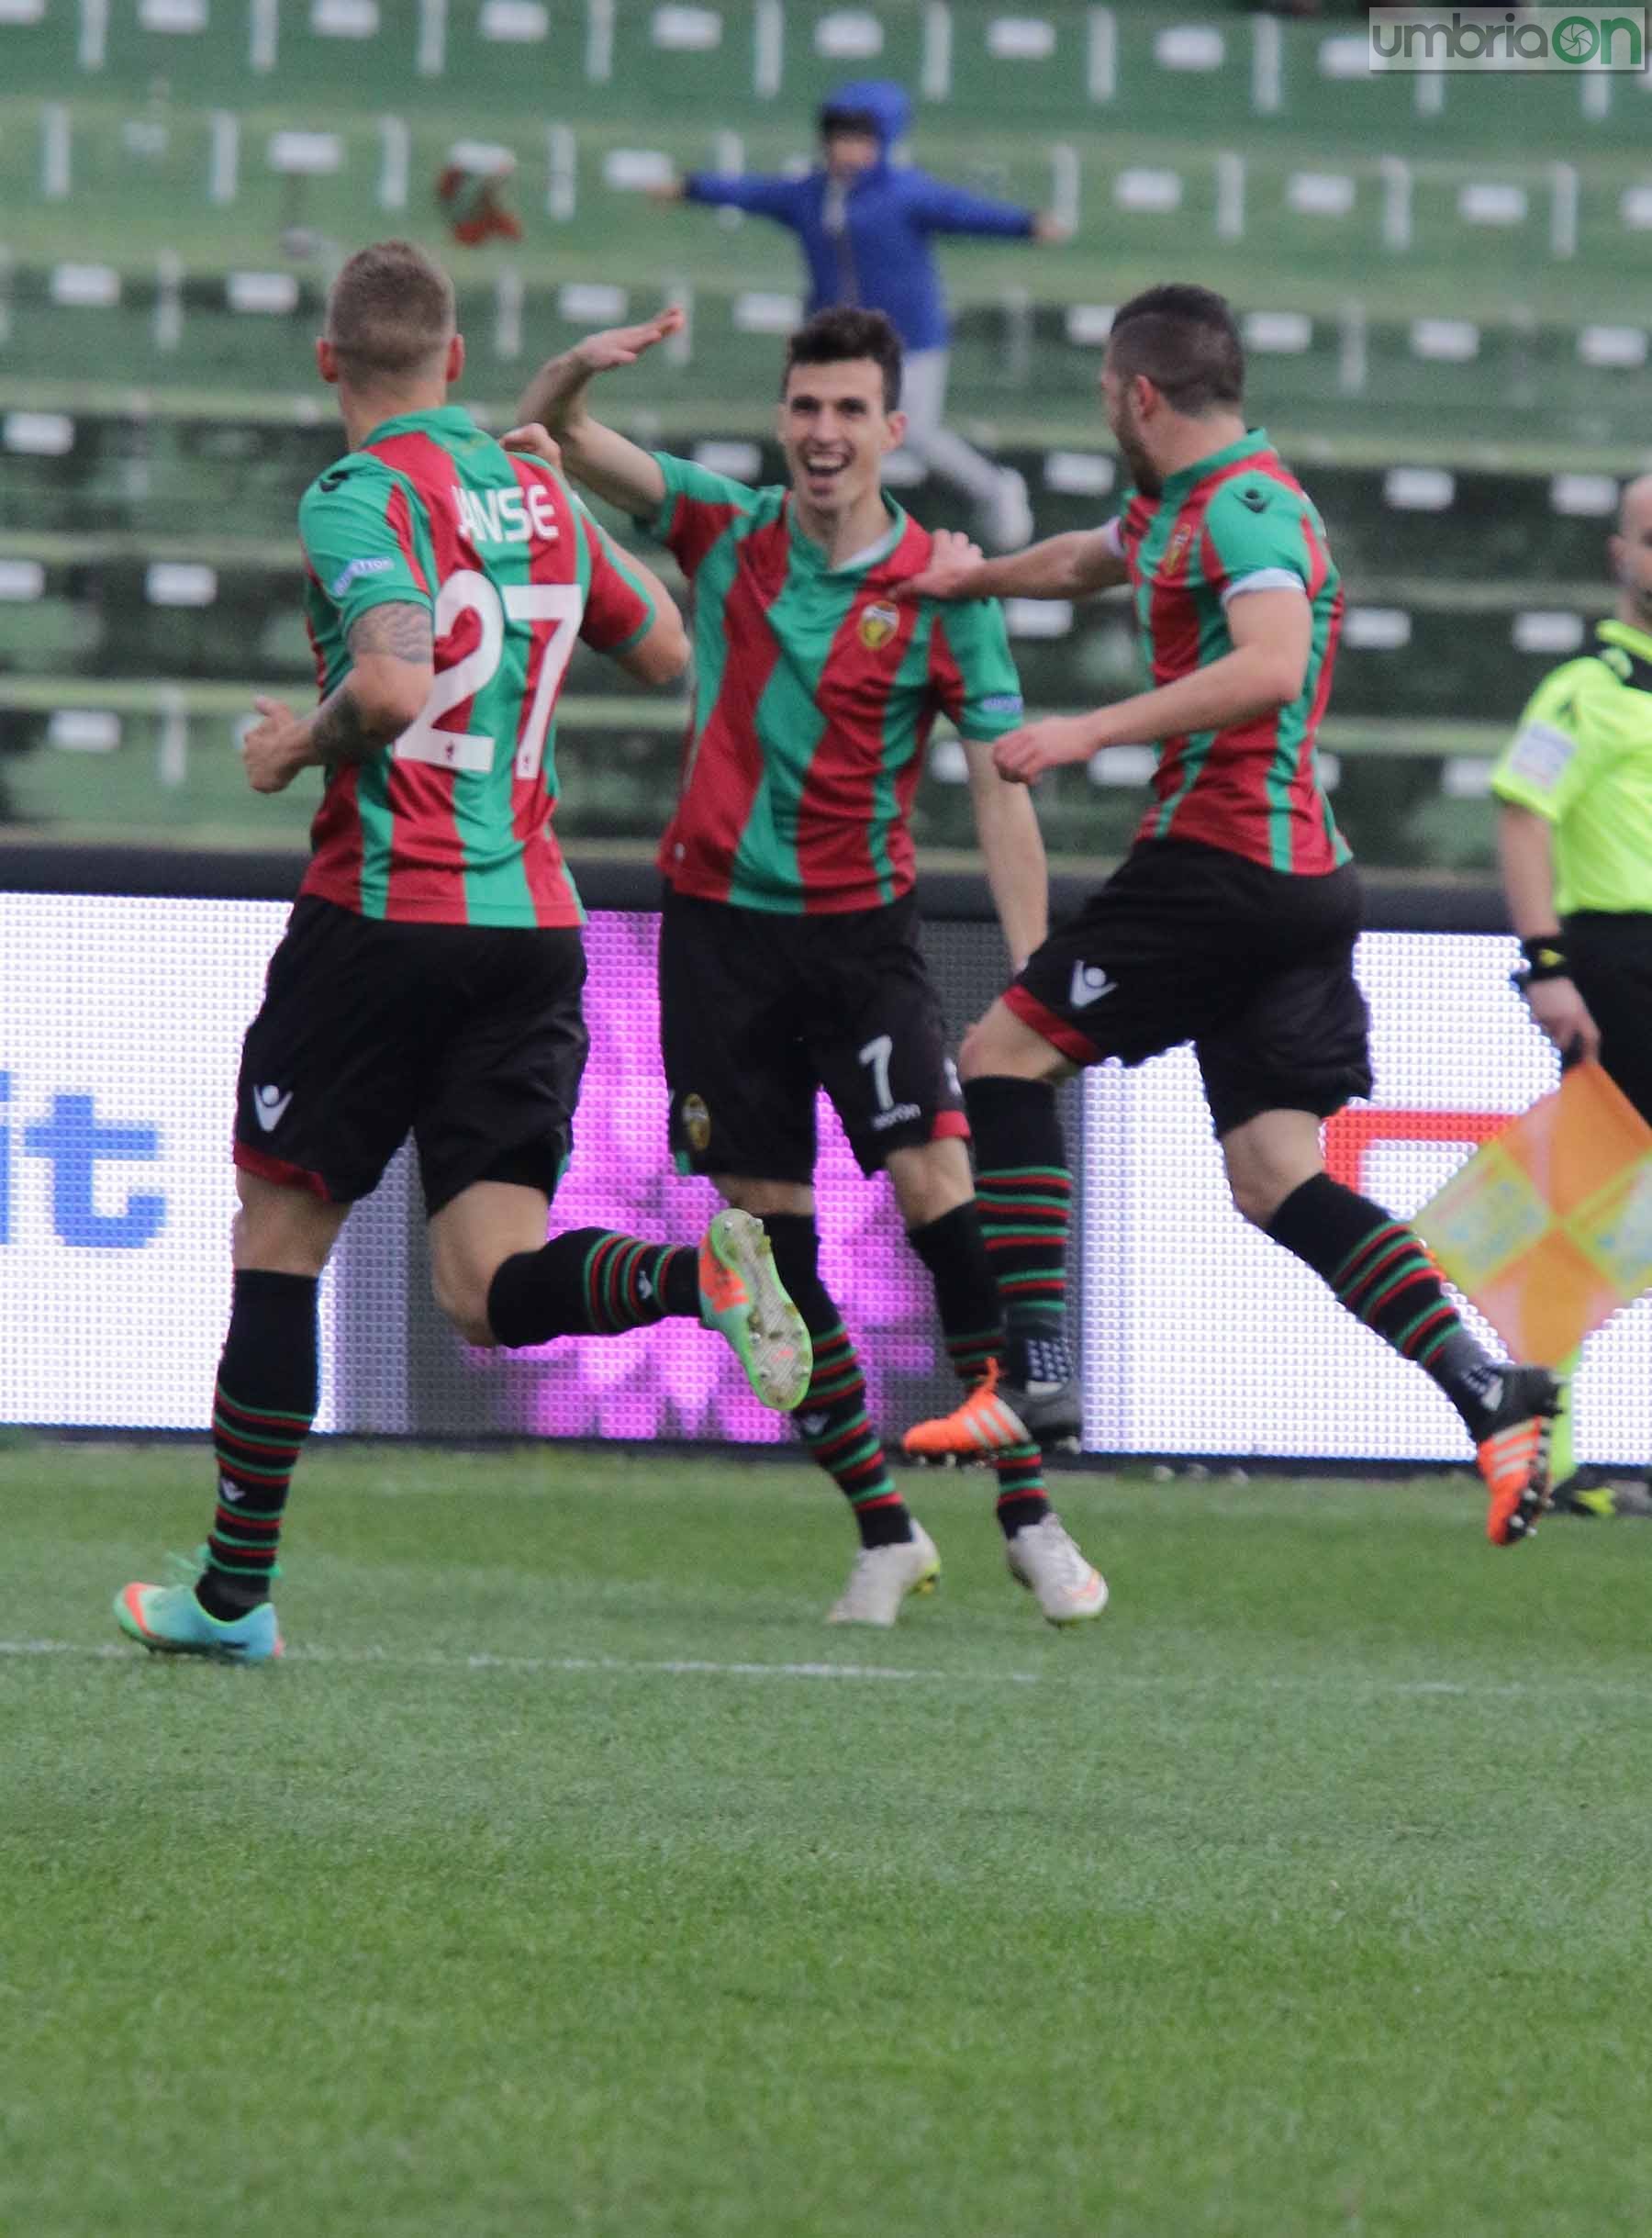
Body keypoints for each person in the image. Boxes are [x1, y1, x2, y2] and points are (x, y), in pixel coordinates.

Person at [115, 239, 810, 1664]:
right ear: (454, 358)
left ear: (330, 365)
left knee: (280, 1241)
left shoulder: (360, 493)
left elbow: (389, 677)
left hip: (384, 919)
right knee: (488, 1290)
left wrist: (290, 744)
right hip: (535, 930)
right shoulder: (538, 488)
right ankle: (694, 1279)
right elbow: (673, 648)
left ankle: (236, 1594)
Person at [897, 282, 1564, 1548]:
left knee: (1000, 1054)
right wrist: (968, 578)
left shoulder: (1251, 507)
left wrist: (1086, 727)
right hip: (1294, 881)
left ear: (1138, 394)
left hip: (1224, 865)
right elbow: (1089, 559)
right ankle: (1489, 1392)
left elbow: (1269, 664)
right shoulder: (1176, 505)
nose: (1105, 406)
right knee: (1273, 1174)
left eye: (1105, 389)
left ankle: (1027, 1374)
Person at [514, 302, 1106, 1627]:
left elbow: (1001, 787)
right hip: (719, 937)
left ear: (896, 429)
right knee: (768, 1260)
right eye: (806, 407)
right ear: (782, 418)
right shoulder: (721, 526)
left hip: (864, 940)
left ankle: (1026, 1507)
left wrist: (1033, 976)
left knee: (938, 1187)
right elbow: (563, 434)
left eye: (851, 410)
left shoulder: (948, 591)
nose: (825, 433)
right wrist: (572, 377)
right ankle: (883, 1529)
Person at [651, 80, 1065, 552]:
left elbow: (968, 212)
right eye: (839, 140)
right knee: (840, 436)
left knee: (918, 433)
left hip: (912, 338)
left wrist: (1025, 224)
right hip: (841, 345)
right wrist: (692, 187)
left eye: (860, 141)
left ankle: (992, 488)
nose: (847, 152)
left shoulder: (906, 194)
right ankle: (845, 533)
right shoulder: (809, 194)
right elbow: (751, 192)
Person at [1492, 472, 1652, 1521]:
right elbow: (1522, 807)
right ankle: (1549, 1453)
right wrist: (1546, 963)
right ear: (1620, 555)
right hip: (1622, 960)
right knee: (1586, 1218)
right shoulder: (1583, 689)